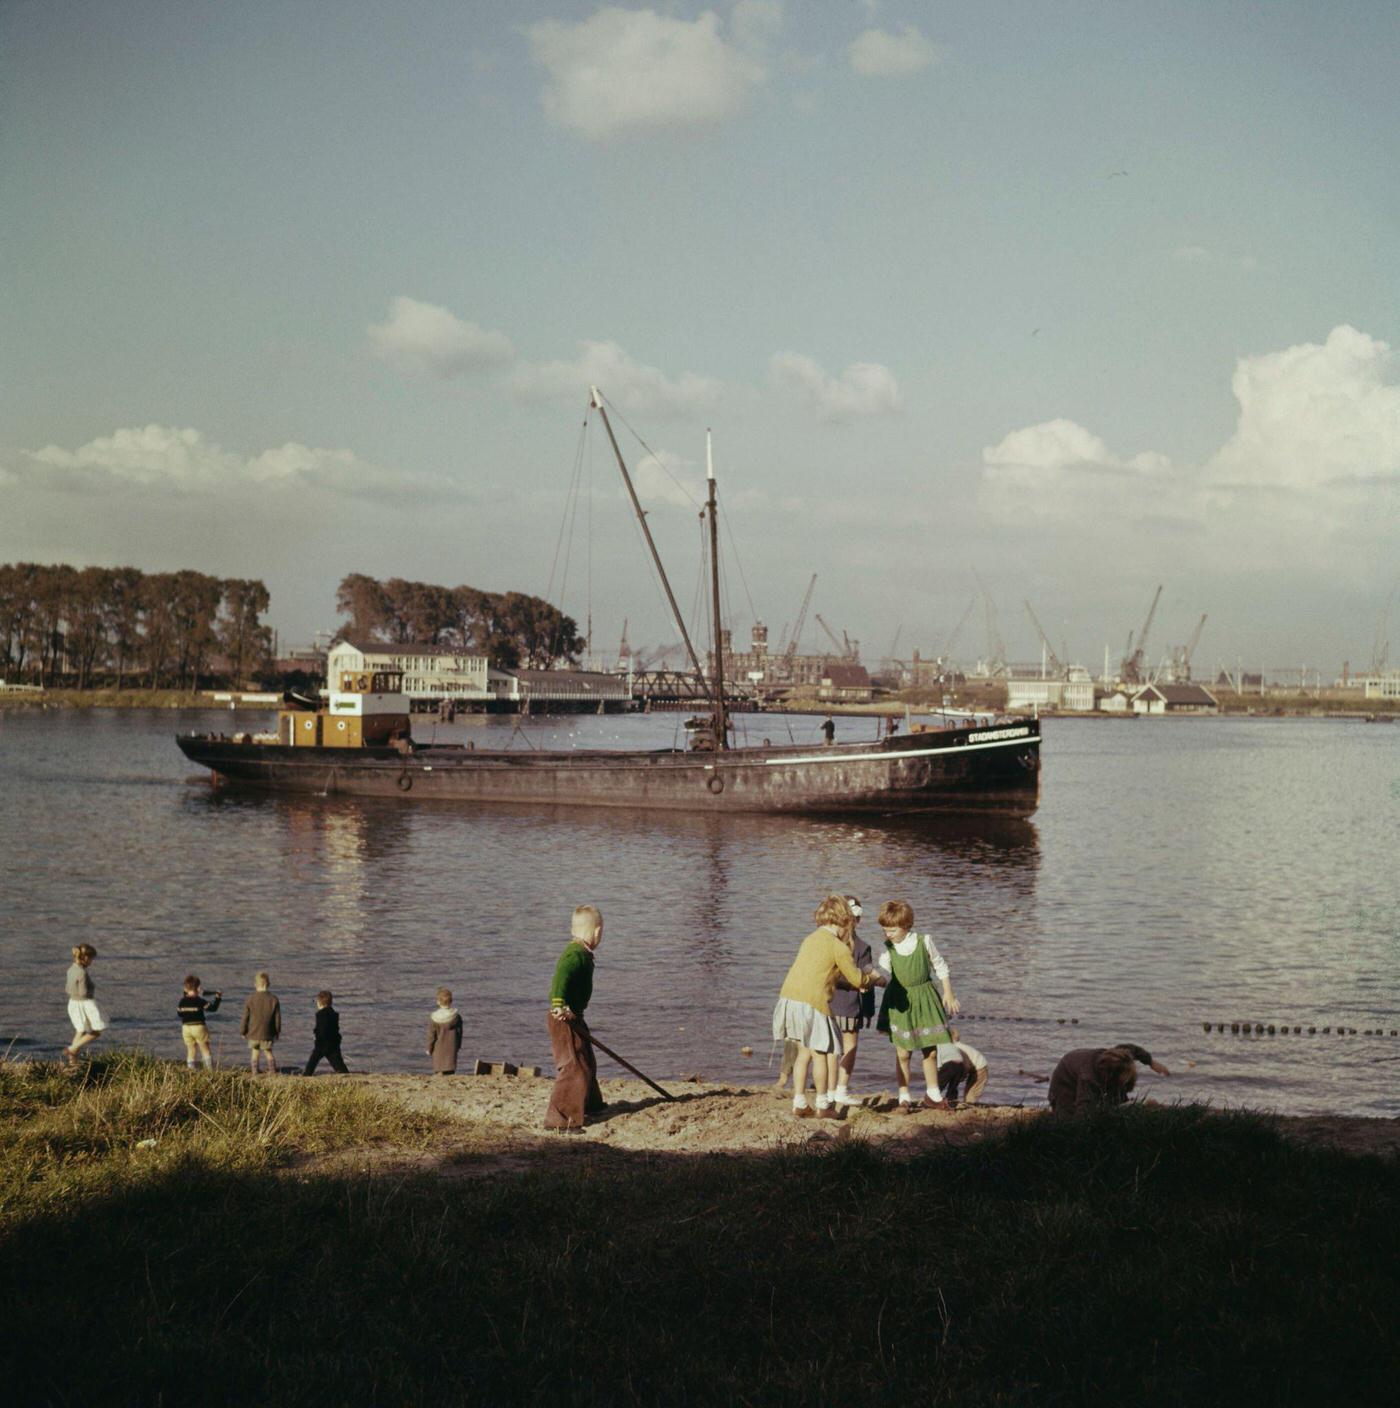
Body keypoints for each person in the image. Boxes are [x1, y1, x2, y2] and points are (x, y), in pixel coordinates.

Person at [772, 895, 879, 1120]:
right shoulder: (838, 946)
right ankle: (823, 1104)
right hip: (812, 1002)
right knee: (821, 1053)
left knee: (803, 1053)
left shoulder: (810, 939)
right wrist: (875, 980)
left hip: (789, 998)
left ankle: (799, 1102)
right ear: (844, 922)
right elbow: (857, 979)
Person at [875, 901, 960, 1113]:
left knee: (929, 1050)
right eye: (885, 930)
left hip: (925, 998)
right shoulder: (888, 949)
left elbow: (940, 965)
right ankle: (904, 1096)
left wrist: (948, 992)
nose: (888, 934)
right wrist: (870, 981)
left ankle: (933, 1094)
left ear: (906, 925)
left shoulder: (924, 941)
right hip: (899, 1001)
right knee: (903, 1053)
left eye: (892, 930)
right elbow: (884, 975)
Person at [545, 905, 606, 1131]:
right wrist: (559, 1005)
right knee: (573, 1067)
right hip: (563, 1019)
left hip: (575, 1016)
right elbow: (561, 977)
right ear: (597, 932)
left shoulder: (583, 953)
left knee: (586, 1060)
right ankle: (560, 1119)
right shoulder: (574, 955)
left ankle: (591, 1104)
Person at [827, 896, 880, 1109]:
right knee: (844, 1047)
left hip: (837, 1003)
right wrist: (867, 1008)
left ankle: (833, 1089)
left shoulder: (852, 946)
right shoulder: (859, 947)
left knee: (833, 1048)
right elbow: (867, 980)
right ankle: (837, 1089)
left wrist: (867, 1010)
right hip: (841, 1004)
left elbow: (867, 980)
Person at [1048, 1043, 1169, 1115]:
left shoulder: (1121, 1056)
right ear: (1108, 1076)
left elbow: (1134, 1049)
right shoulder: (1089, 1079)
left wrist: (1151, 1062)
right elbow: (1083, 1115)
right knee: (1069, 1124)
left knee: (1115, 1105)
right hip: (1064, 1085)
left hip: (1081, 1067)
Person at [64, 943, 105, 1066]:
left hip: (73, 1003)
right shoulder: (82, 972)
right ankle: (72, 1049)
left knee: (80, 1031)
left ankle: (73, 1062)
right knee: (97, 1030)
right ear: (86, 957)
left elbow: (67, 988)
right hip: (84, 1003)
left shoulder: (71, 969)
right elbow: (83, 992)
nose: (92, 961)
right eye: (91, 958)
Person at [240, 970, 281, 1074]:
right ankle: (272, 1070)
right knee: (268, 1052)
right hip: (267, 1032)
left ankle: (255, 1071)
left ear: (255, 984)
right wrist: (277, 1032)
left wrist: (243, 1031)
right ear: (268, 984)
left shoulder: (250, 999)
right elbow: (277, 1019)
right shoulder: (274, 999)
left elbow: (245, 1017)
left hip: (253, 1032)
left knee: (255, 1052)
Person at [178, 975, 222, 1071]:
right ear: (198, 988)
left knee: (191, 1049)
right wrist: (218, 998)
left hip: (186, 1028)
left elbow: (180, 1013)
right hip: (198, 1026)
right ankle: (209, 1070)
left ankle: (191, 1070)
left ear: (185, 988)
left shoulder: (182, 1001)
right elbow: (213, 1008)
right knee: (204, 1048)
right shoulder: (200, 1001)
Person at [935, 1030, 989, 1107]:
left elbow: (965, 1064)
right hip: (974, 1064)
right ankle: (959, 1102)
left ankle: (970, 1106)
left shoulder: (956, 1048)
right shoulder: (953, 1047)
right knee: (965, 1091)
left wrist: (962, 1075)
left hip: (980, 1067)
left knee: (971, 1093)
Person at [304, 990, 349, 1075]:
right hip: (333, 1043)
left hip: (322, 1044)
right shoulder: (334, 1014)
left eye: (317, 1001)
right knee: (339, 1064)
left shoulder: (320, 1014)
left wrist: (316, 1035)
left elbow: (321, 1029)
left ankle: (306, 1075)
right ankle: (345, 1074)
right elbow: (335, 1029)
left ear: (320, 1002)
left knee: (312, 1062)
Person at [426, 987, 463, 1075]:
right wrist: (458, 1045)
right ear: (451, 1001)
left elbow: (431, 1035)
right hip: (451, 1047)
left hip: (438, 1049)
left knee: (438, 1069)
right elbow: (459, 1033)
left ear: (438, 1002)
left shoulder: (434, 1018)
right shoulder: (456, 1017)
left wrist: (429, 1048)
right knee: (450, 1071)